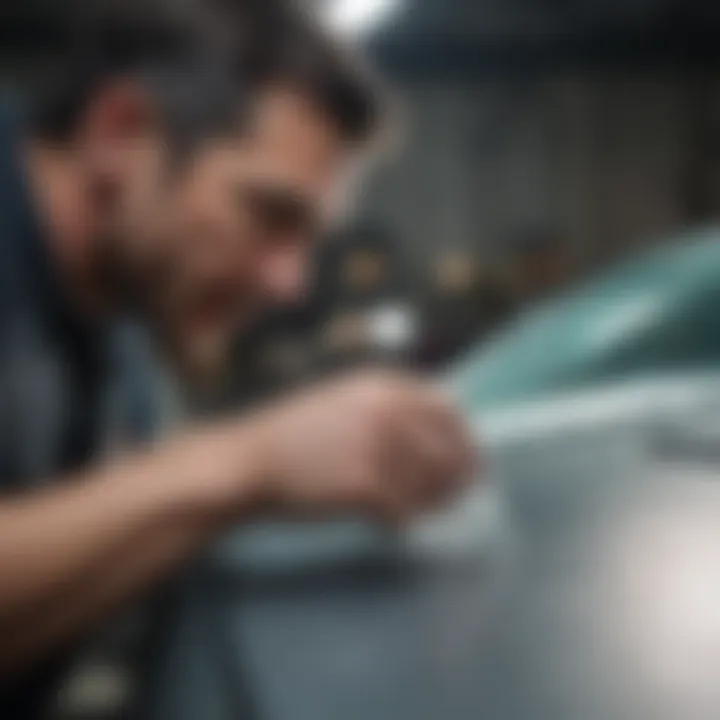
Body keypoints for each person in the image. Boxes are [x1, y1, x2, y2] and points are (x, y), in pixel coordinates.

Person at [0, 1, 477, 717]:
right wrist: (247, 464)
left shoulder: (123, 339)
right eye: (267, 213)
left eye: (307, 235)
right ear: (119, 134)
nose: (289, 282)